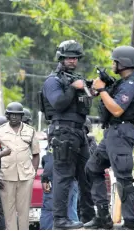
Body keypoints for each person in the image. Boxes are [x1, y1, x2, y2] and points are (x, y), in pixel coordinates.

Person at [85, 46, 134, 230]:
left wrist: (103, 91)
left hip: (122, 133)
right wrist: (101, 89)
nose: (113, 64)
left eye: (115, 61)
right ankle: (103, 217)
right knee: (92, 168)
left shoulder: (131, 85)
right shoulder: (124, 83)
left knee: (123, 177)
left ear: (122, 63)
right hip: (113, 132)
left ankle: (129, 223)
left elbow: (116, 109)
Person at [40, 40, 95, 229]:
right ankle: (60, 220)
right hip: (62, 131)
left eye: (75, 58)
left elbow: (84, 106)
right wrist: (74, 88)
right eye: (68, 58)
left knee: (87, 174)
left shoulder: (75, 79)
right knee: (63, 176)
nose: (72, 61)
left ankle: (89, 216)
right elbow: (58, 104)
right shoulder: (53, 81)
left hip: (79, 132)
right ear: (61, 58)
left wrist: (90, 90)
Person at [0, 102, 40, 230]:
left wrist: (33, 174)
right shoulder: (0, 131)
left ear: (22, 116)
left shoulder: (30, 131)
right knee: (9, 212)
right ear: (7, 115)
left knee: (24, 211)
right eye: (11, 114)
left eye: (17, 115)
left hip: (25, 177)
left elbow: (36, 154)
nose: (14, 117)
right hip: (6, 176)